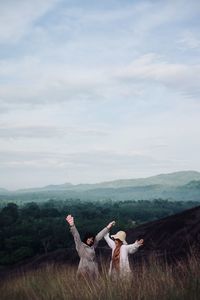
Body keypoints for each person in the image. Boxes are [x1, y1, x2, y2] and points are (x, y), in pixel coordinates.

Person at [66, 215, 115, 280]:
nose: (91, 240)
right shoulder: (81, 246)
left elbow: (99, 236)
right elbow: (76, 236)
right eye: (89, 239)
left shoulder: (92, 246)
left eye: (92, 239)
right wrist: (72, 226)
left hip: (94, 273)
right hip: (84, 272)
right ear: (86, 238)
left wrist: (108, 227)